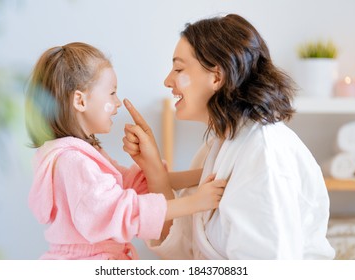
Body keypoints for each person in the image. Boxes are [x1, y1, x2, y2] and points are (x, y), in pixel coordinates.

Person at [123, 14, 335, 259]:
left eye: (179, 68)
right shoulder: (218, 146)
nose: (167, 80)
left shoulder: (264, 153)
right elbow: (186, 251)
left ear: (216, 76)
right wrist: (152, 167)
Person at [25, 42, 226, 260]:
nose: (117, 102)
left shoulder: (86, 154)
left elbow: (135, 185)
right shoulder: (73, 162)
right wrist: (195, 202)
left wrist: (203, 174)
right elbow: (122, 211)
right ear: (80, 100)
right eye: (111, 93)